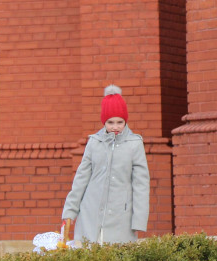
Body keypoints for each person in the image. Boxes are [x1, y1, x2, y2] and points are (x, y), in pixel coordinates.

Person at [61, 84, 150, 245]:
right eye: (110, 122)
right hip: (90, 212)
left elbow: (141, 184)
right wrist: (70, 212)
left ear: (125, 121)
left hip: (121, 217)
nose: (115, 127)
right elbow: (81, 179)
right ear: (104, 122)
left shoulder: (134, 144)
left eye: (119, 122)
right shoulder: (94, 142)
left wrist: (139, 220)